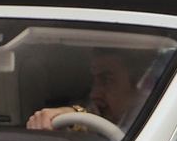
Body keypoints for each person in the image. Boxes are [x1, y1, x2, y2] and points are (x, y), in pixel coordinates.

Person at [25, 46, 158, 135]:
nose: (94, 93)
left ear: (142, 87)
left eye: (106, 81)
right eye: (95, 81)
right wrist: (72, 116)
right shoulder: (91, 105)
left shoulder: (158, 128)